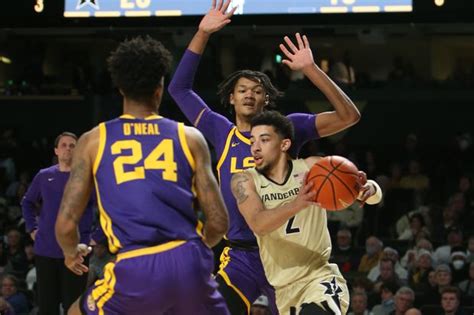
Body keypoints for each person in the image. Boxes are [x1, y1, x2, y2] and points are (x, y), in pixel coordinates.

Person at [168, 1, 361, 313]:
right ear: (231, 98)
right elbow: (178, 89)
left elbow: (348, 116)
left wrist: (310, 69)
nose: (249, 94)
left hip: (287, 253)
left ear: (266, 98)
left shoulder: (289, 128)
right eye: (242, 89)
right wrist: (202, 32)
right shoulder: (221, 130)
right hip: (241, 256)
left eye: (257, 90)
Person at [55, 36, 230, 315]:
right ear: (160, 88)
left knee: (76, 311)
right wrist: (186, 256)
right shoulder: (190, 137)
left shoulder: (93, 141)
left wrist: (69, 253)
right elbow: (219, 223)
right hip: (190, 260)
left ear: (120, 87)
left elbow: (65, 225)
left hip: (136, 265)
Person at [230, 111, 381, 314]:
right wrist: (297, 203)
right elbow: (258, 223)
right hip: (284, 291)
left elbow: (371, 193)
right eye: (252, 141)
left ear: (284, 144)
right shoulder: (244, 181)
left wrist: (368, 189)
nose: (255, 148)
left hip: (320, 277)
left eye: (264, 140)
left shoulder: (312, 167)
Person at [21, 131, 95, 315]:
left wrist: (96, 236)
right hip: (46, 249)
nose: (68, 149)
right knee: (47, 306)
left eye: (72, 145)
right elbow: (27, 202)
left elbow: (106, 207)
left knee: (74, 305)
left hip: (78, 249)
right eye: (64, 145)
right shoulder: (44, 176)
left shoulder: (88, 177)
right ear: (56, 150)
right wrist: (32, 228)